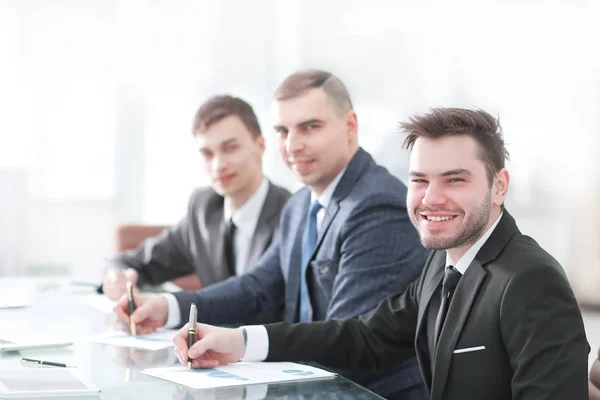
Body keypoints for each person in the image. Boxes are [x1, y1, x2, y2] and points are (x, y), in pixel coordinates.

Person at [171, 108, 590, 400]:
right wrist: (241, 341)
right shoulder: (444, 263)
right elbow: (364, 336)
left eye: (455, 180)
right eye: (419, 180)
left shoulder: (530, 281)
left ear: (499, 186)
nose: (431, 198)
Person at [114, 70, 429, 399]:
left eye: (310, 127)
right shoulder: (300, 205)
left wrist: (244, 343)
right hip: (311, 387)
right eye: (283, 130)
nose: (292, 145)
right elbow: (257, 288)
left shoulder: (377, 205)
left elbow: (348, 341)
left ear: (350, 125)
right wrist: (167, 306)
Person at [101, 95, 291, 300]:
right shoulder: (204, 209)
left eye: (230, 148)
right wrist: (117, 276)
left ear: (260, 146)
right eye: (207, 154)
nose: (218, 165)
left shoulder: (291, 214)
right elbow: (136, 262)